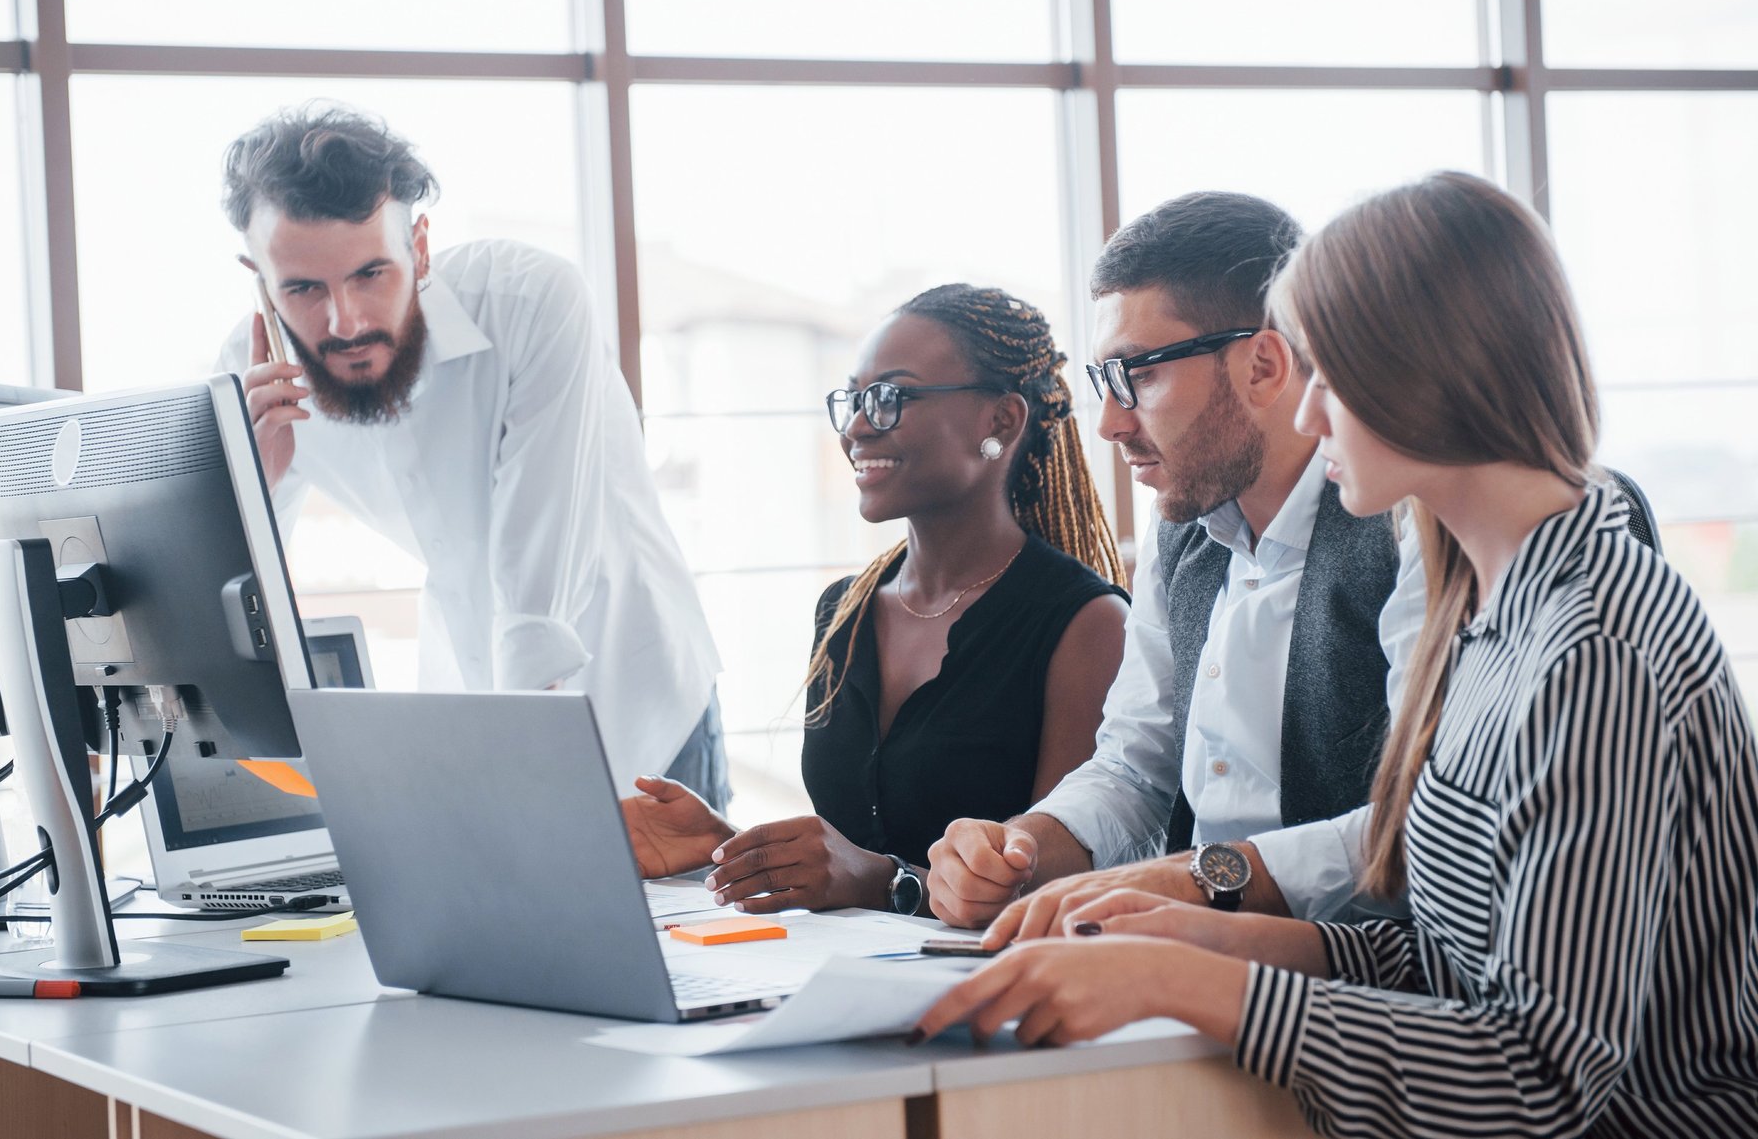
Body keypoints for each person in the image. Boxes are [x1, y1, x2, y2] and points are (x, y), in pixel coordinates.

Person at [913, 171, 1758, 1135]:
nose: (1308, 416)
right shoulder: (1483, 619)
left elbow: (1538, 1079)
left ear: (1431, 378)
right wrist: (1210, 940)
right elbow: (1445, 962)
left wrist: (1195, 976)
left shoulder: (1594, 645)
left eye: (1329, 372)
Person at [928, 192, 1424, 932]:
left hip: (1359, 987)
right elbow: (1134, 764)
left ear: (1263, 364)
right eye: (1104, 380)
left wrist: (1202, 881)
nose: (1110, 422)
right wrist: (1020, 847)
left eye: (1139, 374)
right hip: (1182, 955)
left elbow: (1427, 822)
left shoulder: (1408, 524)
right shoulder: (1183, 532)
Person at [216, 104, 726, 803]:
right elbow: (231, 618)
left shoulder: (532, 303)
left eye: (371, 273)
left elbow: (533, 592)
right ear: (259, 279)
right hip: (477, 703)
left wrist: (506, 797)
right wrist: (257, 485)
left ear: (419, 249)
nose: (346, 322)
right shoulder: (252, 382)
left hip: (638, 705)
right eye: (303, 288)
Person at [621, 284, 1130, 914]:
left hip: (995, 993)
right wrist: (728, 847)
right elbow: (849, 856)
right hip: (843, 980)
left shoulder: (1088, 624)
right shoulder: (845, 610)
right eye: (854, 399)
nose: (858, 427)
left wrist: (885, 882)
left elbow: (1064, 886)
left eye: (891, 397)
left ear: (1000, 421)